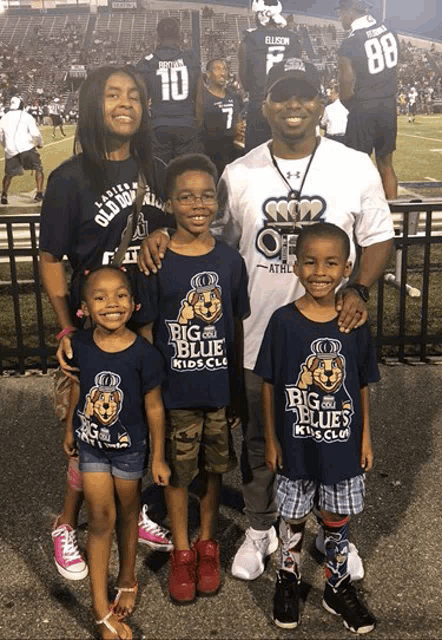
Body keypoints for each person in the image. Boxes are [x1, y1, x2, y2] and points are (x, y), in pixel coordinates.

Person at [137, 57, 394, 584]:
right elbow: (207, 235)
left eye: (304, 95)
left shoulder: (354, 165)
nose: (294, 105)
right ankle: (261, 527)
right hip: (256, 337)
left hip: (332, 334)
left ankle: (330, 533)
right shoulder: (238, 171)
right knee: (259, 442)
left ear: (322, 103)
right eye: (282, 95)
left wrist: (361, 289)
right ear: (266, 105)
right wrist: (162, 233)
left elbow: (377, 237)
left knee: (332, 435)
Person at [39, 66, 173, 584]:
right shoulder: (72, 177)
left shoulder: (154, 168)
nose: (126, 103)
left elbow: (169, 229)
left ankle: (133, 511)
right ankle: (63, 525)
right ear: (94, 104)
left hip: (144, 330)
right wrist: (67, 332)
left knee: (132, 428)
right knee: (91, 429)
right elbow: (51, 257)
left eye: (135, 95)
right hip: (95, 330)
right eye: (113, 94)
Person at [137, 153, 250, 604]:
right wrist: (150, 396)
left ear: (217, 202)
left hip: (218, 392)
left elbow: (235, 329)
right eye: (186, 196)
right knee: (180, 476)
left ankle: (208, 543)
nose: (197, 204)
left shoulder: (230, 261)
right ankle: (182, 549)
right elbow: (146, 334)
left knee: (214, 470)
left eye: (206, 195)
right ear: (169, 202)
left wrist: (237, 393)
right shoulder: (156, 261)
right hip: (176, 393)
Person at [256, 222, 378, 633]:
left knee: (335, 515)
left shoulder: (353, 322)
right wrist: (271, 439)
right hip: (295, 444)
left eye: (330, 263)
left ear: (347, 268)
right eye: (310, 262)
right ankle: (287, 578)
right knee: (292, 518)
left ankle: (336, 585)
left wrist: (364, 436)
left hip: (342, 443)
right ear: (295, 266)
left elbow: (359, 383)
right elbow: (270, 385)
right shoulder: (283, 322)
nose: (320, 271)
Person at [65, 265, 169, 640]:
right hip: (92, 446)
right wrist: (70, 428)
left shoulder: (145, 354)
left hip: (130, 451)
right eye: (100, 297)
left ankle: (127, 576)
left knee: (127, 513)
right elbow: (79, 388)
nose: (112, 303)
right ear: (85, 308)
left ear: (134, 302)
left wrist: (158, 457)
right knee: (98, 519)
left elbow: (154, 407)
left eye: (120, 295)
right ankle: (99, 611)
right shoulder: (80, 345)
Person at [337, 0, 400, 199]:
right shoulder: (389, 29)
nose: (340, 18)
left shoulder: (350, 42)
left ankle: (357, 219)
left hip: (364, 106)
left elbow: (345, 85)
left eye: (341, 13)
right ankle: (393, 214)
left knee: (355, 167)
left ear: (350, 12)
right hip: (388, 105)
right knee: (386, 165)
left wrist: (352, 106)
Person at [136, 17, 204, 164]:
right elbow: (199, 98)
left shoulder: (148, 62)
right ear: (179, 35)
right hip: (186, 124)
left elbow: (140, 98)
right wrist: (197, 125)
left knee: (160, 173)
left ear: (158, 36)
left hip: (158, 125)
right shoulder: (191, 58)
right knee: (185, 172)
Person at [239, 0, 302, 152]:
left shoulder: (250, 39)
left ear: (261, 15)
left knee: (255, 155)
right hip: (287, 104)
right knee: (287, 153)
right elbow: (298, 73)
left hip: (259, 103)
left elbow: (245, 81)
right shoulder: (293, 39)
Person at [203, 58, 244, 176]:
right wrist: (231, 131)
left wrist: (239, 133)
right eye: (217, 69)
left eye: (225, 69)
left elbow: (238, 119)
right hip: (212, 151)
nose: (222, 73)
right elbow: (203, 128)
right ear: (209, 74)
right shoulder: (204, 97)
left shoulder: (233, 95)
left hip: (233, 150)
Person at [0, 96, 44, 204]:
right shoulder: (27, 116)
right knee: (38, 168)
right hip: (26, 147)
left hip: (10, 150)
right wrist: (40, 143)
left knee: (8, 174)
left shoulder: (4, 118)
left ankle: (4, 195)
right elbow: (35, 133)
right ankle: (39, 193)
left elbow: (0, 136)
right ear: (21, 105)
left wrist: (6, 146)